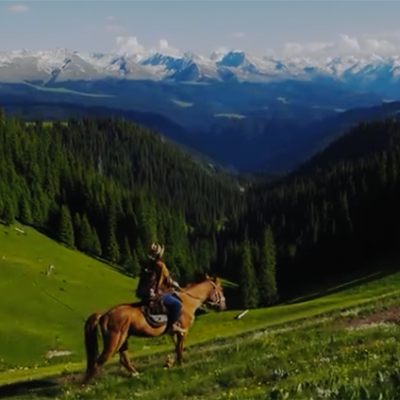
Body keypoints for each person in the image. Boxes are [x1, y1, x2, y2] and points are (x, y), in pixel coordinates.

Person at [136, 243, 186, 335]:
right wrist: (176, 284)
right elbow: (168, 280)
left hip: (146, 293)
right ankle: (173, 326)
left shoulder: (148, 264)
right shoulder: (161, 265)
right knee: (177, 304)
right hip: (157, 293)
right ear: (160, 254)